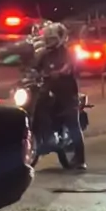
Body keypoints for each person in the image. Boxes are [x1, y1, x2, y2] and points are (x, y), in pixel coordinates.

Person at [36, 23, 86, 170]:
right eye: (48, 39)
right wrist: (29, 73)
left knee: (72, 123)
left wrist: (60, 72)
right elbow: (34, 67)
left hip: (67, 93)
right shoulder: (44, 54)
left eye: (52, 39)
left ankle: (80, 159)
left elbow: (69, 66)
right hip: (48, 91)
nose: (49, 41)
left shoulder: (68, 52)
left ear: (60, 38)